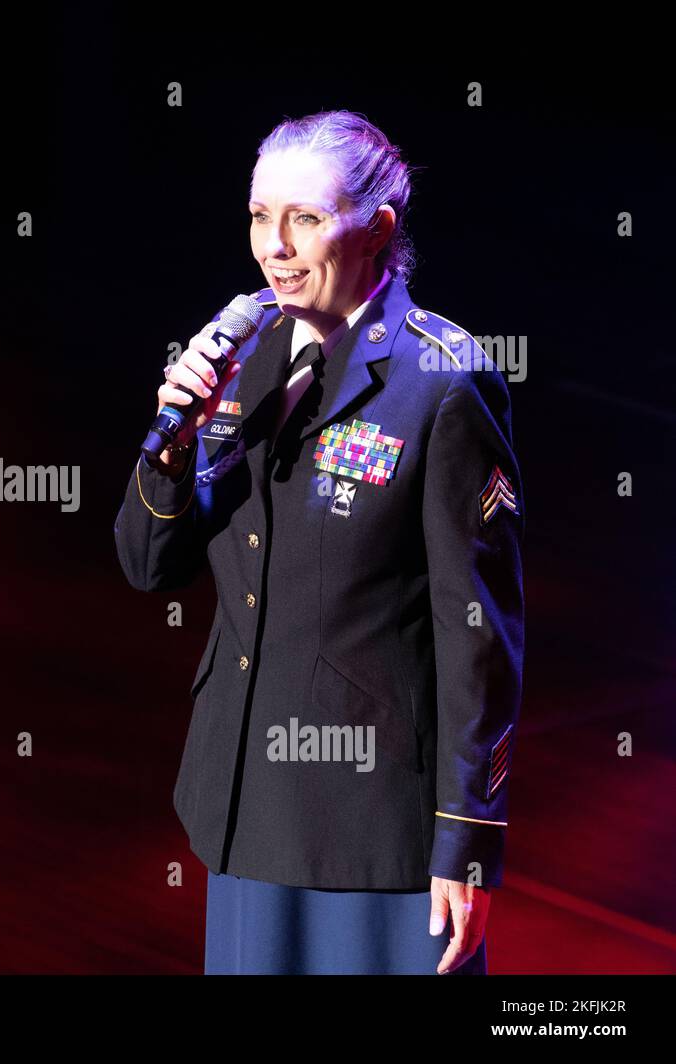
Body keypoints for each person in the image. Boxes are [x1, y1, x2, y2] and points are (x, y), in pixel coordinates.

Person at [113, 111, 525, 975]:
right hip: (245, 802)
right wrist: (174, 439)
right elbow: (149, 566)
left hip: (375, 834)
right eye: (261, 217)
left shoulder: (442, 380)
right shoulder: (242, 348)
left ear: (376, 228)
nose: (275, 245)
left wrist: (469, 839)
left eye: (305, 217)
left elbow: (478, 629)